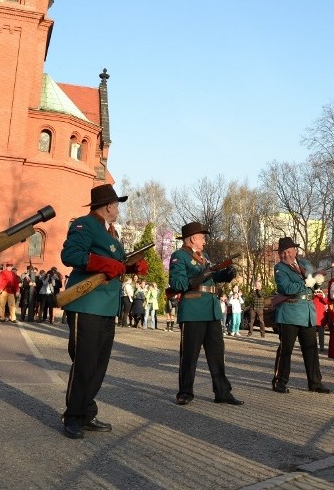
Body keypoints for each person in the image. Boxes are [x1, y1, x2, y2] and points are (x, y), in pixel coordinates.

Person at [60, 184, 148, 439]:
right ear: (109, 205)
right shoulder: (85, 224)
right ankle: (73, 416)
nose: (118, 209)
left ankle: (87, 412)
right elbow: (71, 254)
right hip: (86, 302)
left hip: (107, 306)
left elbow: (114, 266)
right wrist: (106, 263)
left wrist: (130, 268)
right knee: (84, 362)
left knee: (99, 364)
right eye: (117, 205)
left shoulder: (110, 233)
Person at [168, 221, 242, 406]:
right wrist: (204, 274)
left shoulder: (204, 256)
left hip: (211, 310)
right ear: (193, 238)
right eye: (202, 237)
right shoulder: (179, 256)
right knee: (189, 355)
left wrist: (227, 274)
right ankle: (185, 392)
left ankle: (222, 392)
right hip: (193, 309)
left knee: (217, 354)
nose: (204, 241)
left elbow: (213, 276)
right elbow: (177, 284)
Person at [271, 237, 330, 395]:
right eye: (282, 252)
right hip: (289, 311)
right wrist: (306, 283)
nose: (285, 255)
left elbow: (315, 284)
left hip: (307, 312)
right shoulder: (279, 268)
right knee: (286, 350)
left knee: (311, 350)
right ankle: (280, 381)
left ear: (295, 251)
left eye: (288, 251)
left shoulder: (304, 264)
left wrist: (318, 279)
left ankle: (315, 382)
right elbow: (287, 288)